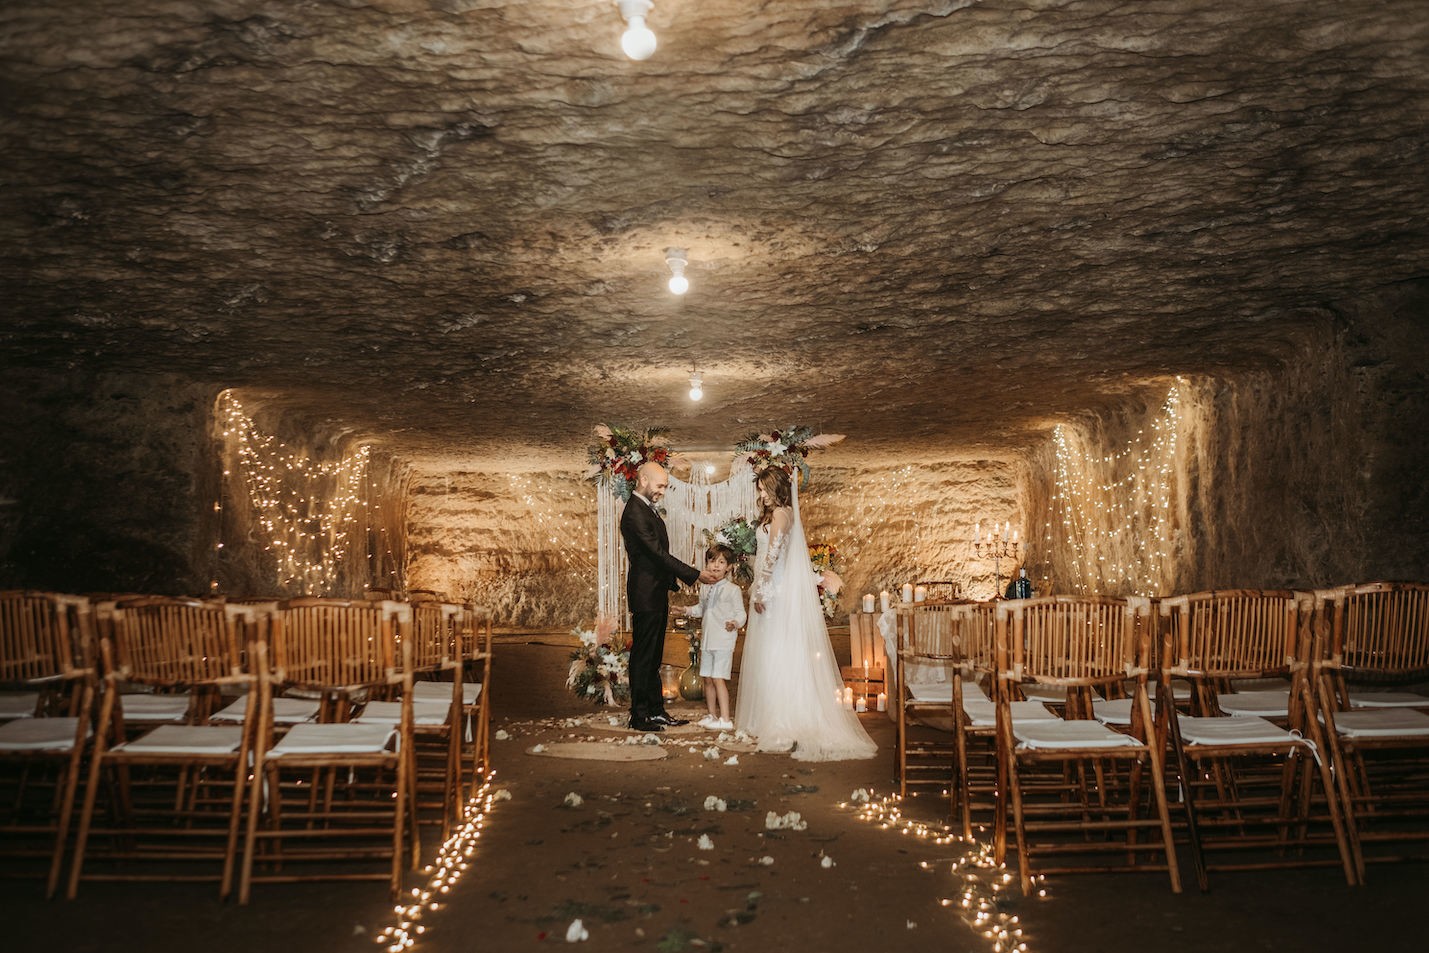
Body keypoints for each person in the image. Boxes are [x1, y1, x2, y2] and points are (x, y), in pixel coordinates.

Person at [735, 466, 876, 761]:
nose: (760, 495)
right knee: (774, 653)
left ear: (776, 488)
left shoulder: (780, 515)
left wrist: (760, 590)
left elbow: (772, 556)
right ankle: (772, 715)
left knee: (774, 654)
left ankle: (782, 718)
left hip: (773, 592)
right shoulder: (784, 514)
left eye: (763, 489)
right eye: (759, 489)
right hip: (775, 589)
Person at [620, 461, 716, 732]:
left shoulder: (645, 508)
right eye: (660, 485)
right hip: (645, 594)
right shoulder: (634, 512)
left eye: (665, 486)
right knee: (643, 657)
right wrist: (695, 574)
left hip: (654, 592)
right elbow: (657, 555)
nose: (663, 491)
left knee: (653, 656)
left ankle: (656, 711)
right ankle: (639, 716)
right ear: (642, 480)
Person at [684, 545, 746, 731]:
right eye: (712, 561)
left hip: (723, 641)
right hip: (707, 641)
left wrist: (734, 623)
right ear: (707, 564)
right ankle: (712, 715)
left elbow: (741, 614)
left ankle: (725, 718)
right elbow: (700, 609)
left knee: (718, 678)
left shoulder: (732, 590)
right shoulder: (704, 588)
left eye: (721, 562)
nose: (716, 565)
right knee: (708, 679)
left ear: (728, 567)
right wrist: (685, 610)